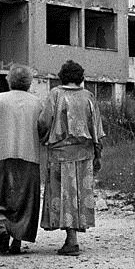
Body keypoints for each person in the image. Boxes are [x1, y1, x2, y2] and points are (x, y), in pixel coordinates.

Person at [39, 60, 105, 256]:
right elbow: (96, 128)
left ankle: (71, 239)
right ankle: (73, 236)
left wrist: (42, 138)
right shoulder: (89, 97)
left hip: (60, 154)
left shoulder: (56, 94)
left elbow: (44, 121)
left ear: (62, 76)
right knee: (79, 195)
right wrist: (98, 153)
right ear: (81, 78)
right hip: (84, 154)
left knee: (64, 195)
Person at [0, 64, 45, 255]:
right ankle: (17, 239)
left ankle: (2, 233)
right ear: (29, 83)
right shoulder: (37, 102)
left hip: (1, 155)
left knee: (0, 197)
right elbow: (43, 130)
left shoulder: (0, 99)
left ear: (9, 80)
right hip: (29, 157)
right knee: (24, 200)